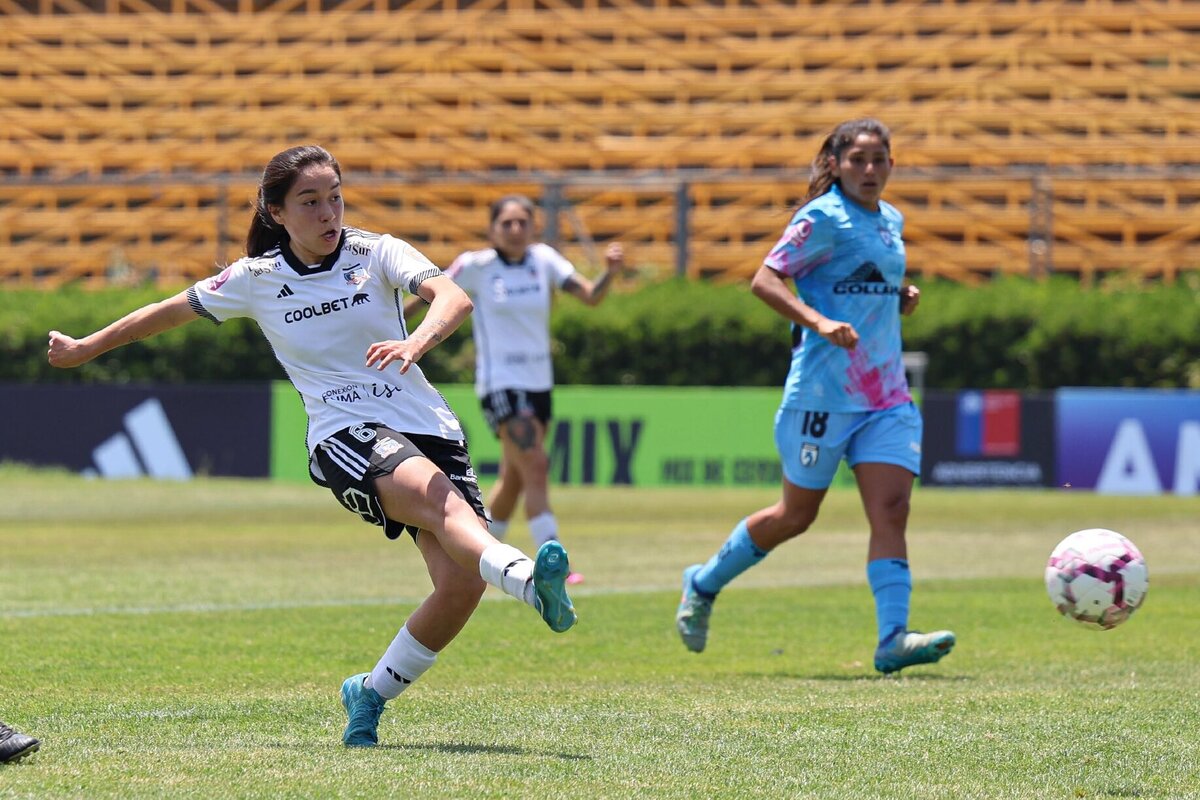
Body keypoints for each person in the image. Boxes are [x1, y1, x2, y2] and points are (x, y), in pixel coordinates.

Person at [47, 145, 577, 748]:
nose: (329, 213)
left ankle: (369, 693)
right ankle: (533, 582)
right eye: (310, 202)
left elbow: (453, 299)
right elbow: (165, 314)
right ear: (276, 213)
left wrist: (417, 343)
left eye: (335, 197)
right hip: (343, 435)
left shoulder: (376, 250)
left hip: (425, 421)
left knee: (461, 585)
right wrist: (86, 348)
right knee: (444, 509)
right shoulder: (256, 279)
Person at [674, 118, 955, 675]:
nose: (870, 170)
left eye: (879, 159)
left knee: (892, 509)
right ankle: (703, 583)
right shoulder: (821, 217)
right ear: (836, 164)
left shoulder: (891, 220)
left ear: (892, 164)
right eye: (858, 160)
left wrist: (897, 295)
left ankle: (893, 638)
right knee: (796, 515)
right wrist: (819, 321)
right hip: (822, 396)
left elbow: (863, 280)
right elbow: (766, 280)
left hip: (885, 395)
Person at [411, 195, 624, 585]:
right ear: (492, 228)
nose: (514, 229)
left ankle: (480, 557)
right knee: (537, 465)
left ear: (533, 227)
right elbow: (426, 296)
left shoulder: (544, 260)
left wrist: (610, 272)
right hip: (502, 385)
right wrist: (388, 325)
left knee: (515, 478)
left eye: (522, 222)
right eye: (506, 223)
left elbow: (591, 296)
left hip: (539, 384)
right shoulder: (476, 266)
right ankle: (555, 561)